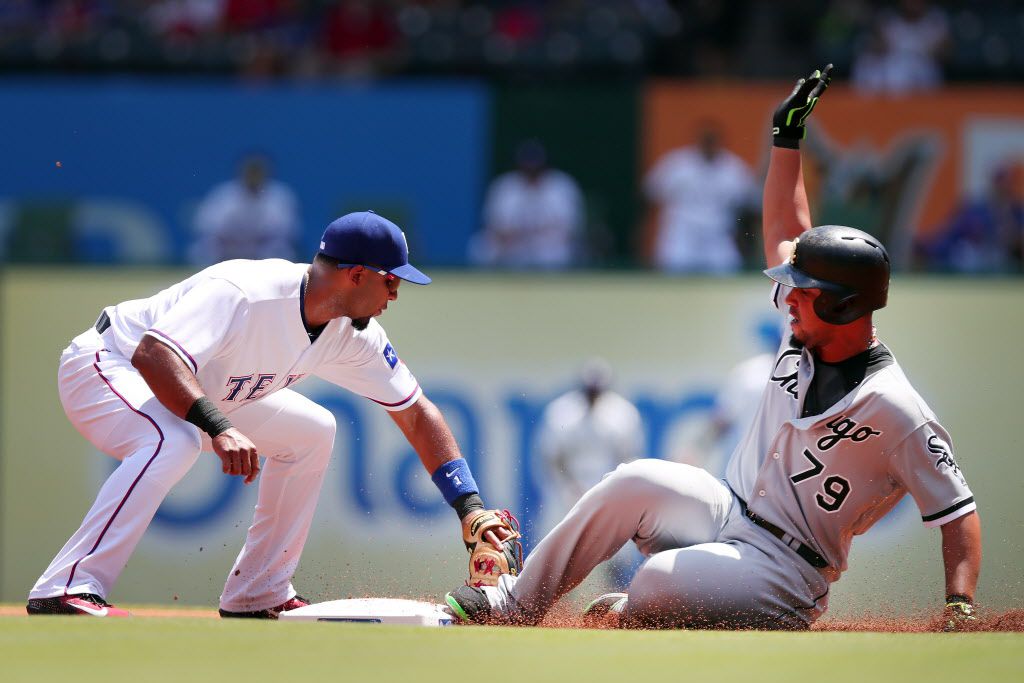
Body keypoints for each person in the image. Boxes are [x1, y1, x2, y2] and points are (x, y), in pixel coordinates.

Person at [444, 66, 982, 632]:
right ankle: (515, 602)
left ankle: (667, 609)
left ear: (846, 306)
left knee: (652, 581)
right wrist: (787, 140)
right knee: (632, 480)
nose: (788, 299)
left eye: (805, 292)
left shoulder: (895, 407)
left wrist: (960, 604)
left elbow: (958, 511)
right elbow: (788, 227)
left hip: (788, 566)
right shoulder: (803, 329)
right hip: (726, 509)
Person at [27, 210, 515, 618]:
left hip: (201, 391)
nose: (396, 294)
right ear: (356, 274)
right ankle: (66, 586)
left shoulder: (353, 334)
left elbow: (416, 413)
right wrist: (218, 427)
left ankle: (258, 593)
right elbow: (154, 356)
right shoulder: (245, 290)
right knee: (170, 441)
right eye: (391, 280)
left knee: (313, 431)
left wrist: (468, 505)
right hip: (107, 364)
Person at [534, 359, 644, 588]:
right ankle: (551, 609)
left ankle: (618, 604)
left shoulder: (622, 413)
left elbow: (629, 457)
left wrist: (614, 490)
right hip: (568, 490)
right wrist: (568, 487)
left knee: (618, 554)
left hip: (609, 487)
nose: (593, 397)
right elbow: (550, 458)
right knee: (557, 551)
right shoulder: (562, 412)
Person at [642, 121, 758, 274]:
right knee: (673, 273)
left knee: (728, 271)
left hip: (717, 235)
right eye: (706, 140)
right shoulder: (677, 164)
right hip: (682, 233)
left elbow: (750, 204)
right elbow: (649, 194)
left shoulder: (733, 168)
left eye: (712, 141)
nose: (709, 145)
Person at [470, 139, 585, 269]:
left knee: (555, 253)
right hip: (514, 244)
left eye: (535, 165)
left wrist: (535, 236)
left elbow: (568, 229)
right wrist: (516, 237)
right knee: (482, 246)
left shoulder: (561, 185)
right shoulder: (505, 185)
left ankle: (555, 287)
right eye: (527, 165)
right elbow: (495, 226)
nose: (531, 169)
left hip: (548, 245)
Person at [188, 154, 300, 265]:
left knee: (280, 250)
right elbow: (206, 228)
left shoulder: (279, 196)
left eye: (257, 172)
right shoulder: (224, 194)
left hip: (261, 252)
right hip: (228, 250)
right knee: (204, 249)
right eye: (251, 172)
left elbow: (288, 233)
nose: (254, 176)